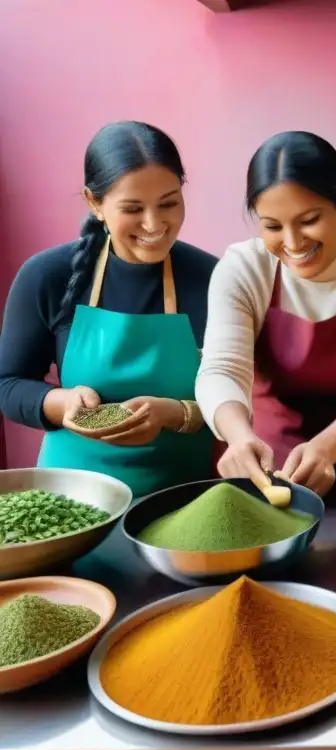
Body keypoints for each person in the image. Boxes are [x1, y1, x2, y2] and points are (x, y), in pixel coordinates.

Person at [196, 131, 336, 508]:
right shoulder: (241, 268)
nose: (293, 242)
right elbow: (221, 369)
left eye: (309, 220)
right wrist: (238, 438)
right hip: (264, 471)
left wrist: (327, 449)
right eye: (272, 226)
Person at [0, 121, 217, 498]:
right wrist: (61, 403)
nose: (154, 224)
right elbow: (8, 384)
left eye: (168, 203)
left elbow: (245, 397)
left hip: (186, 498)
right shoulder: (46, 276)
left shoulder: (214, 278)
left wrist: (173, 414)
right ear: (94, 202)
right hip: (74, 499)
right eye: (133, 208)